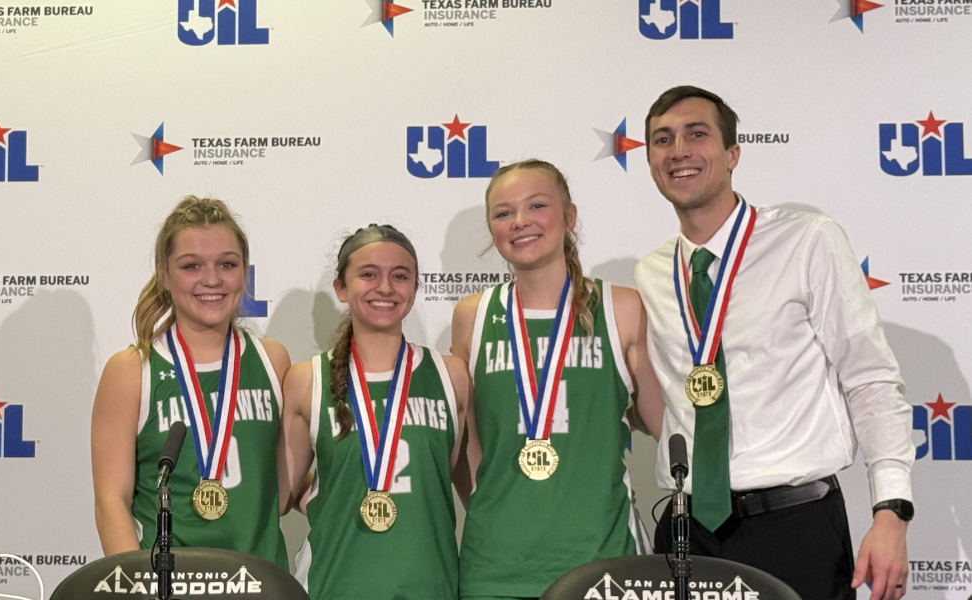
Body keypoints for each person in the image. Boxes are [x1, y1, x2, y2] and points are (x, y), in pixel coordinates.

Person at [634, 85, 914, 600]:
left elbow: (870, 377)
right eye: (662, 140)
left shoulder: (808, 241)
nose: (679, 151)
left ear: (732, 153)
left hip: (795, 526)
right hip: (686, 531)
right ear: (650, 161)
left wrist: (892, 510)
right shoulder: (650, 274)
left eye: (697, 134)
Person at [451, 159, 664, 600]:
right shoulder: (472, 315)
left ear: (569, 217)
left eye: (537, 205)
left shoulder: (621, 308)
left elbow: (668, 424)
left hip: (603, 560)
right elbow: (469, 441)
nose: (521, 222)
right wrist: (499, 512)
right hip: (494, 566)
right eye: (503, 212)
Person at [91, 196, 290, 569]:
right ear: (164, 273)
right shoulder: (132, 371)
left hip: (260, 585)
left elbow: (282, 492)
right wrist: (145, 590)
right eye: (191, 265)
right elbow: (110, 502)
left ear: (243, 272)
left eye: (227, 264)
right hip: (168, 587)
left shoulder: (273, 361)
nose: (211, 279)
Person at [281, 225, 470, 600]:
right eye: (368, 274)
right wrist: (326, 498)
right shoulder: (306, 379)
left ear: (415, 290)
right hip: (331, 585)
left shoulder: (451, 374)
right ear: (341, 287)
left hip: (431, 586)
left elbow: (452, 476)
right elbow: (280, 490)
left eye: (400, 276)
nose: (385, 287)